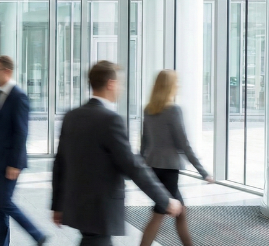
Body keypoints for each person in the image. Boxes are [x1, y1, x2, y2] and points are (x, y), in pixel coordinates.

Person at [52, 61, 182, 246]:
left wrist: (57, 204)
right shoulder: (110, 120)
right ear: (110, 84)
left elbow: (59, 164)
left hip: (77, 204)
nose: (121, 88)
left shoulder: (72, 116)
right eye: (120, 83)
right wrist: (165, 200)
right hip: (100, 209)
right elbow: (132, 166)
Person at [139, 70, 215, 246]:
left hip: (154, 167)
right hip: (169, 170)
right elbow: (184, 144)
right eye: (177, 82)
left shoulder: (148, 109)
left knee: (180, 211)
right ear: (170, 86)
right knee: (159, 213)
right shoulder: (173, 110)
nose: (178, 85)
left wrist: (142, 164)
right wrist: (203, 172)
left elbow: (144, 142)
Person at [0, 56, 47, 246]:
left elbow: (21, 132)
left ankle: (36, 234)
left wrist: (15, 163)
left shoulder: (18, 96)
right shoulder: (0, 95)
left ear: (7, 72)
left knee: (4, 202)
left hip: (10, 163)